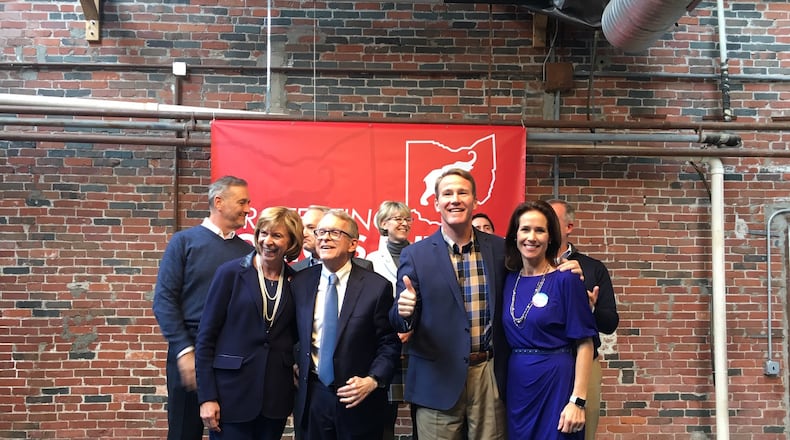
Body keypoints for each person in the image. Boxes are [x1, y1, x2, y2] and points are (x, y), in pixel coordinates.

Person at [390, 168, 508, 440]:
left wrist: (562, 270)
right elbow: (399, 319)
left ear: (475, 201)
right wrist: (404, 312)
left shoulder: (501, 249)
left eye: (462, 192)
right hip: (437, 376)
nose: (455, 199)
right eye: (447, 193)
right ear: (436, 203)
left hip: (488, 375)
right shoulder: (415, 255)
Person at [153, 175, 254, 440]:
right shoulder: (183, 242)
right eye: (242, 202)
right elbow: (164, 301)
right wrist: (184, 351)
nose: (247, 209)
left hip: (232, 359)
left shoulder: (247, 252)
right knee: (184, 432)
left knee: (230, 432)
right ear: (218, 202)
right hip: (190, 352)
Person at [291, 209, 401, 440]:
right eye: (320, 232)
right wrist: (294, 359)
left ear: (352, 244)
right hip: (314, 396)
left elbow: (389, 343)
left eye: (333, 232)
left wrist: (373, 380)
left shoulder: (376, 287)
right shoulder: (300, 283)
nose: (324, 238)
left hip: (358, 397)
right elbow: (291, 333)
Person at [195, 207, 303, 439]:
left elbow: (296, 336)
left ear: (291, 242)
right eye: (263, 233)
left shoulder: (297, 281)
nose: (268, 241)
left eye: (277, 235)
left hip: (275, 398)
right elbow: (205, 338)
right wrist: (207, 397)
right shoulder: (230, 273)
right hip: (231, 396)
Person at [501, 200, 598, 439]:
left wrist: (577, 400)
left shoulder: (567, 279)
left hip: (557, 381)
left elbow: (585, 343)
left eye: (540, 230)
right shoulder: (508, 280)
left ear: (550, 237)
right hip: (518, 385)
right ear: (515, 235)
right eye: (525, 229)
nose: (531, 237)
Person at [549, 199, 619, 440]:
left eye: (552, 221)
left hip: (585, 362)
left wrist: (589, 311)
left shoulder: (592, 269)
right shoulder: (531, 266)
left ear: (569, 227)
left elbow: (610, 324)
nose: (545, 226)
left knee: (582, 429)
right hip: (545, 363)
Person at [366, 201, 417, 440]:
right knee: (386, 413)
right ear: (383, 224)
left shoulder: (421, 254)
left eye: (407, 219)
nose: (403, 223)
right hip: (387, 344)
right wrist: (394, 330)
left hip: (419, 343)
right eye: (397, 218)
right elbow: (371, 305)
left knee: (421, 410)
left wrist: (412, 327)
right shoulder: (371, 260)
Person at [292, 205, 373, 272]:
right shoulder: (295, 270)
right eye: (302, 228)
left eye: (311, 227)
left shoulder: (363, 268)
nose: (303, 234)